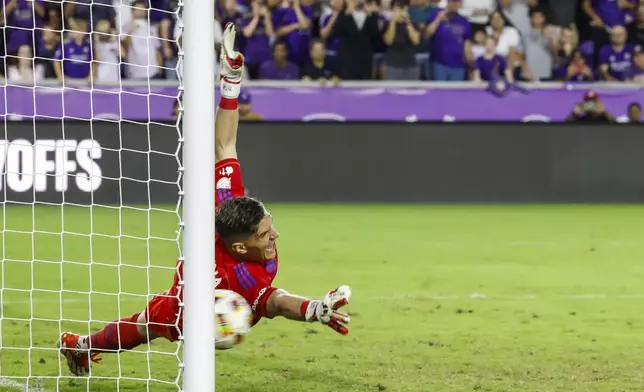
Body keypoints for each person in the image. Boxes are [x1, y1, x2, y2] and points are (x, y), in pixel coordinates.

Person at [58, 23, 352, 377]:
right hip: (196, 295)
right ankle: (84, 345)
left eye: (269, 225)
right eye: (264, 234)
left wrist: (231, 80)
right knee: (147, 326)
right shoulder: (247, 275)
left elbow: (224, 143)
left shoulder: (228, 201)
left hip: (203, 260)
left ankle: (80, 345)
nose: (275, 237)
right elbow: (277, 302)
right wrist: (315, 309)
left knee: (143, 325)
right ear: (241, 248)